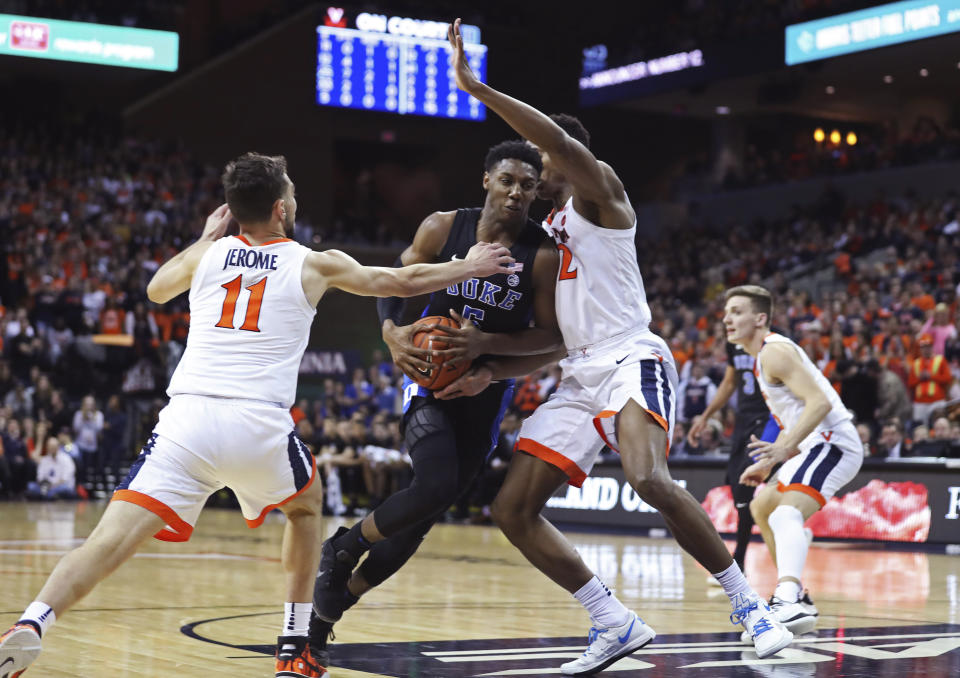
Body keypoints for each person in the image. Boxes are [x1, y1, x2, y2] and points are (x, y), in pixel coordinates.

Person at [0, 152, 514, 678]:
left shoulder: (207, 256)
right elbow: (398, 282)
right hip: (256, 424)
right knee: (306, 507)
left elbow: (156, 289)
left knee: (106, 542)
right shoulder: (313, 262)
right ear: (280, 208)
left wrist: (205, 238)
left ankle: (33, 621)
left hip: (187, 422)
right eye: (291, 191)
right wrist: (468, 266)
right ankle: (294, 648)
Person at [427, 20, 795, 675]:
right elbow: (555, 340)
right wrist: (489, 368)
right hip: (577, 373)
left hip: (632, 358)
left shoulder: (604, 199)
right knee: (510, 509)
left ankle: (751, 607)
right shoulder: (543, 238)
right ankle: (613, 621)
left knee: (647, 476)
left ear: (565, 161)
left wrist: (475, 85)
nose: (534, 177)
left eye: (542, 164)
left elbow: (559, 142)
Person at [309, 140, 561, 662]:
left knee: (418, 521)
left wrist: (486, 356)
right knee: (436, 483)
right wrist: (389, 333)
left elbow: (552, 339)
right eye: (508, 180)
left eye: (528, 185)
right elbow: (392, 283)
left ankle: (330, 608)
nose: (517, 192)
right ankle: (344, 546)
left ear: (537, 192)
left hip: (484, 394)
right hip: (426, 384)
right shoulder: (443, 228)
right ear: (487, 179)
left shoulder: (542, 254)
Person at [725, 285, 863, 637]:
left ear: (760, 318)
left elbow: (819, 404)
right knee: (763, 506)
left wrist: (783, 450)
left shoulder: (775, 351)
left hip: (833, 442)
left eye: (737, 311)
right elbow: (797, 414)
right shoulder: (762, 358)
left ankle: (787, 599)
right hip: (813, 445)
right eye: (726, 312)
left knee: (785, 513)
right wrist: (771, 462)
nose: (727, 318)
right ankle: (798, 599)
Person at [688, 338, 780, 577]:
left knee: (749, 487)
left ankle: (740, 559)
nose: (729, 320)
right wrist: (705, 416)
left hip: (769, 420)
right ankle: (740, 559)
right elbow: (729, 383)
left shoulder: (775, 341)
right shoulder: (733, 345)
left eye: (736, 312)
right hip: (743, 422)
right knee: (739, 493)